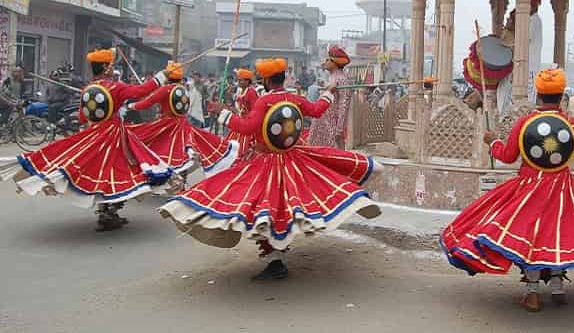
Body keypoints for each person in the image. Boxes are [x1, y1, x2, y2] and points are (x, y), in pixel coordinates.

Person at [440, 67, 574, 312]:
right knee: (559, 234)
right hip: (564, 189)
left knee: (532, 237)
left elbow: (507, 154)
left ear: (538, 95)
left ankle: (533, 294)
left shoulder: (526, 123)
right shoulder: (569, 123)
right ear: (560, 97)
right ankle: (557, 289)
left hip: (530, 188)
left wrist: (492, 141)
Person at [158, 57, 383, 281]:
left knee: (264, 210)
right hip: (292, 160)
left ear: (266, 80)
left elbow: (247, 127)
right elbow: (316, 110)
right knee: (283, 207)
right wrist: (329, 92)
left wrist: (223, 114)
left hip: (267, 162)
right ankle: (277, 256)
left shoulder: (263, 102)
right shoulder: (294, 97)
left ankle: (276, 261)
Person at [0, 49, 176, 231]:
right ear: (107, 68)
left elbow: (83, 117)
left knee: (99, 172)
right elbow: (141, 91)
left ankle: (106, 212)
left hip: (94, 135)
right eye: (111, 65)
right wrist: (162, 76)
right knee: (120, 173)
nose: (112, 68)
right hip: (114, 136)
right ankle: (110, 212)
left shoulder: (88, 89)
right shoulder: (116, 87)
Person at [126, 63, 236, 178]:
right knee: (182, 153)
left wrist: (131, 106)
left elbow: (146, 103)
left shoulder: (166, 90)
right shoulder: (183, 89)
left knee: (155, 148)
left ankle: (167, 177)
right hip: (183, 124)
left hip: (168, 125)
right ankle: (181, 179)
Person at [307, 47, 352, 148]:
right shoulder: (331, 77)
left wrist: (339, 129)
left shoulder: (342, 79)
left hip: (332, 126)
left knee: (335, 156)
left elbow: (344, 105)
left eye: (328, 59)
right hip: (322, 124)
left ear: (334, 62)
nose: (325, 62)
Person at [527, 0, 543, 103]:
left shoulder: (533, 20)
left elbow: (526, 38)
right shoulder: (534, 20)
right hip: (531, 64)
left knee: (530, 95)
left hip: (531, 64)